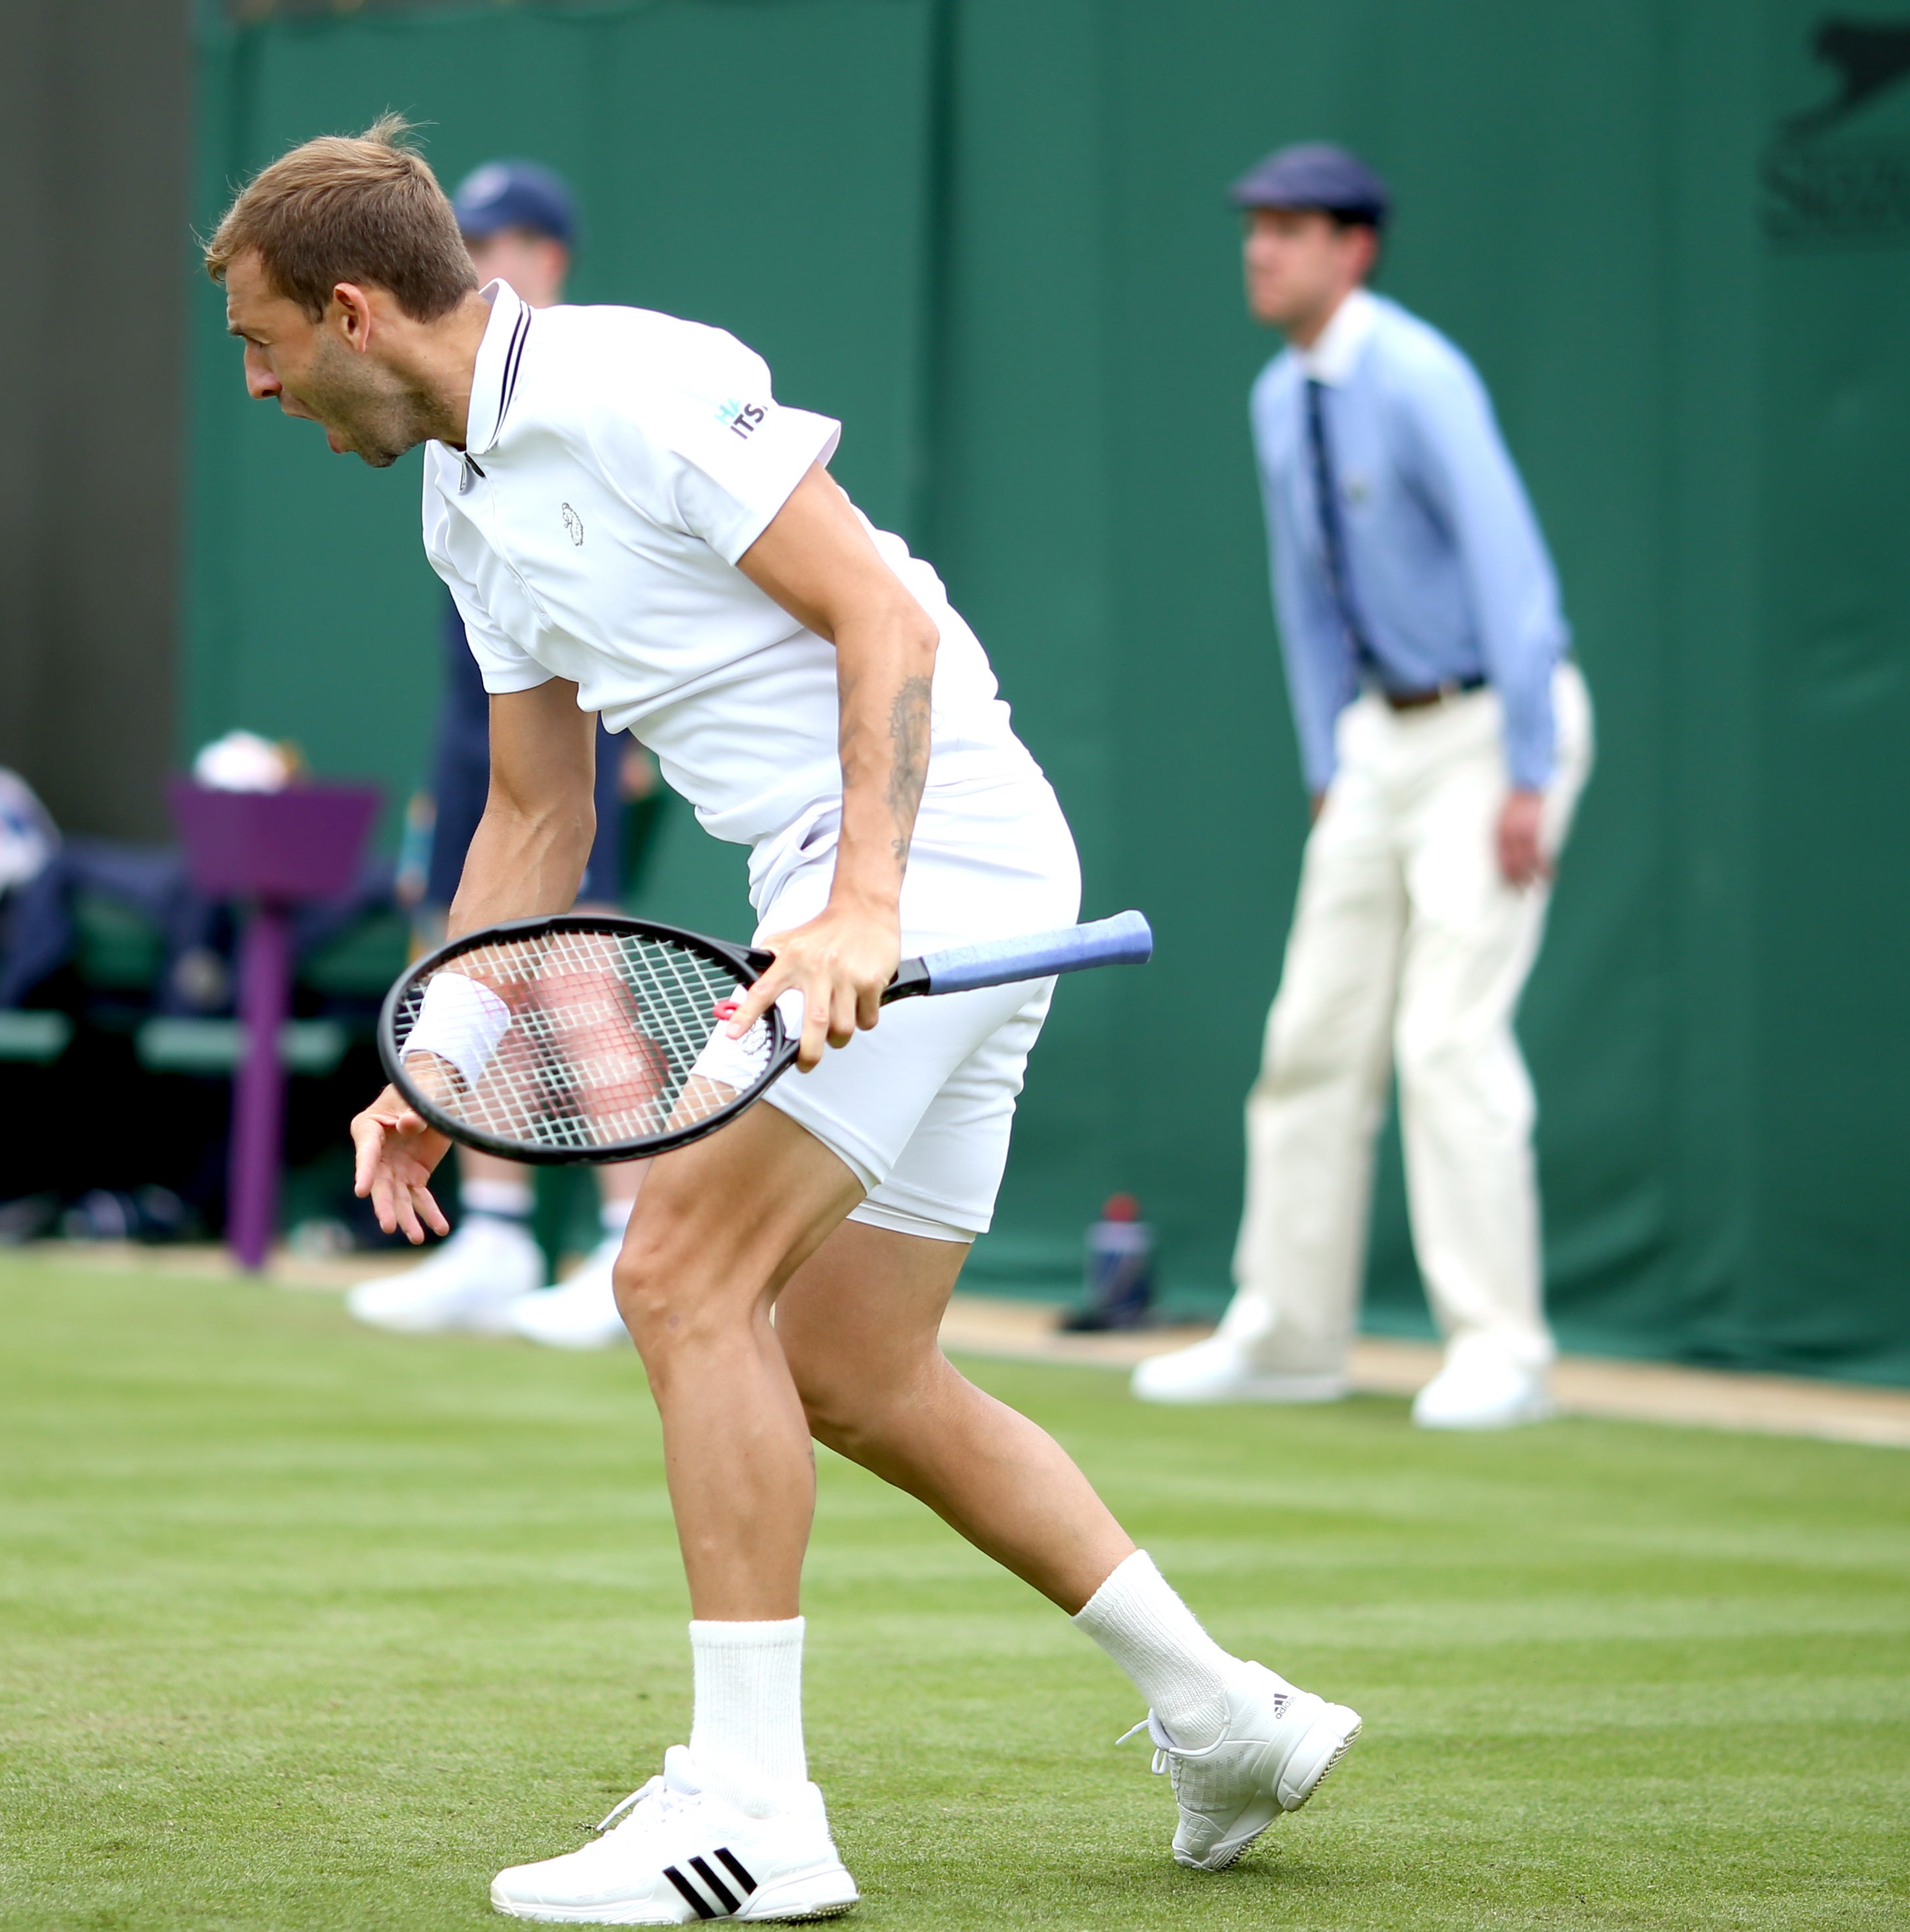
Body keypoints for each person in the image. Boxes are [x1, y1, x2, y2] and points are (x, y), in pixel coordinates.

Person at [205, 117, 1360, 1921]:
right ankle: (1219, 1711)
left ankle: (747, 1807)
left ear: (351, 311)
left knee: (672, 1275)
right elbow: (536, 815)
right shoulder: (458, 499)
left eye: (260, 345)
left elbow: (881, 622)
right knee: (849, 1366)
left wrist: (866, 908)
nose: (261, 386)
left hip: (929, 864)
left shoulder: (632, 383)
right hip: (876, 883)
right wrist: (442, 1056)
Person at [1132, 145, 1596, 1432]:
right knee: (1311, 1041)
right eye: (1254, 228)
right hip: (1379, 746)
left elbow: (1512, 566)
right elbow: (1304, 593)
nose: (1260, 250)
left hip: (1498, 723)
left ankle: (1504, 1346)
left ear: (1356, 248)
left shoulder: (1420, 374)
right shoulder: (1281, 398)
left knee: (1448, 1037)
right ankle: (1288, 1335)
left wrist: (1527, 771)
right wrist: (1329, 764)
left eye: (1288, 228)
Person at [345, 159, 648, 1352]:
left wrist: (621, 736)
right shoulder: (445, 411)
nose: (486, 256)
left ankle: (626, 1242)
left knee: (577, 967)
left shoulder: (578, 387)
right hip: (471, 724)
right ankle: (496, 1228)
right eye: (471, 237)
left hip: (573, 722)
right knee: (462, 958)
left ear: (553, 259)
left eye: (510, 239)